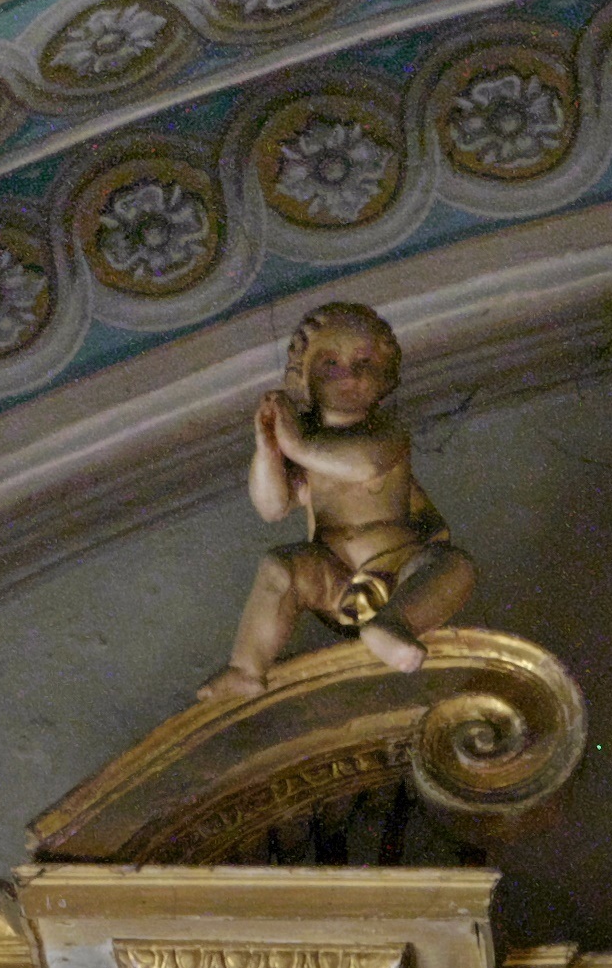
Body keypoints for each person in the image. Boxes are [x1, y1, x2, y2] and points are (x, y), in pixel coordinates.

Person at [202, 300, 475, 701]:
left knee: (455, 568)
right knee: (280, 567)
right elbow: (272, 507)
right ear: (304, 379)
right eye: (330, 363)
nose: (348, 374)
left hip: (400, 565)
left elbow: (362, 465)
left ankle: (392, 625)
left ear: (385, 377)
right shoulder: (308, 450)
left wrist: (293, 442)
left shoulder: (386, 433)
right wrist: (268, 450)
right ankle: (247, 667)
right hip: (334, 577)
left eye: (363, 363)